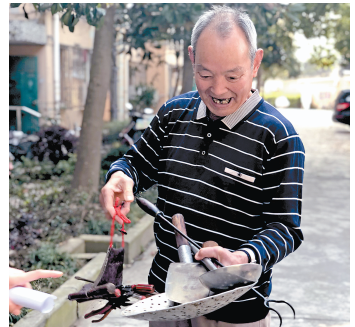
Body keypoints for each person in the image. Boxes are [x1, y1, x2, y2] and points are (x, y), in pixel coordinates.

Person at [100, 5, 305, 327]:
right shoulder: (173, 114)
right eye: (205, 74)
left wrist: (243, 258)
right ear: (192, 58)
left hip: (236, 305)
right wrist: (120, 176)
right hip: (168, 298)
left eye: (232, 76)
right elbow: (135, 164)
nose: (218, 90)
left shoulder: (279, 137)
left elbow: (286, 229)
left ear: (255, 62)